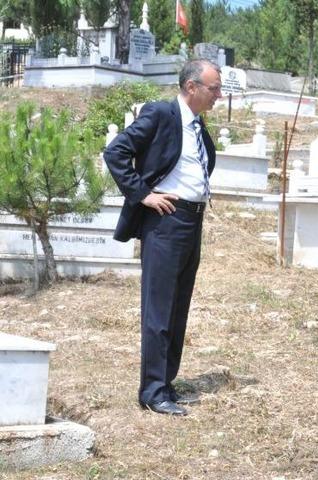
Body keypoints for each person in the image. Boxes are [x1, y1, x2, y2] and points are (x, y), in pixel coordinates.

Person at [104, 59, 222, 416]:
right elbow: (116, 151)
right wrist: (143, 194)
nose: (219, 95)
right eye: (213, 88)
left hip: (192, 222)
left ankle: (166, 384)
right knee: (159, 309)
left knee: (178, 307)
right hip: (165, 223)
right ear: (191, 87)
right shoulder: (161, 113)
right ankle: (152, 391)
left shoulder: (197, 126)